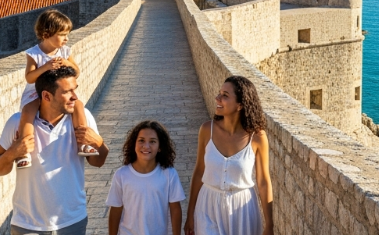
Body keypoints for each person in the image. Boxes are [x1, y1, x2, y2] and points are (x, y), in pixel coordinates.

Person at [0, 66, 109, 234]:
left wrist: (99, 143)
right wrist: (12, 153)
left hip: (72, 221)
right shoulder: (17, 123)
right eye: (67, 92)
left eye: (75, 89)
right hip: (27, 225)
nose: (75, 97)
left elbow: (98, 162)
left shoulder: (84, 118)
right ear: (46, 96)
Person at [185, 76, 274, 235]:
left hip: (243, 211)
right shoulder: (207, 130)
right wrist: (190, 213)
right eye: (219, 93)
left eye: (225, 95)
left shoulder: (258, 137)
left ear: (240, 105)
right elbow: (199, 172)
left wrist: (270, 225)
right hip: (208, 206)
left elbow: (263, 182)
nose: (217, 98)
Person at [15, 9, 96, 169]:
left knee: (78, 106)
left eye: (67, 34)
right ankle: (24, 150)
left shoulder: (65, 52)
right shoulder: (34, 54)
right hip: (36, 92)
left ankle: (82, 143)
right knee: (28, 112)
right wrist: (45, 67)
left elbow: (77, 72)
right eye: (62, 35)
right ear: (46, 34)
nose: (66, 39)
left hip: (61, 92)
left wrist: (68, 64)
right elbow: (29, 77)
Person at [106, 120, 185, 235]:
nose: (146, 146)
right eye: (141, 140)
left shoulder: (169, 174)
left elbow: (175, 209)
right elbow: (115, 210)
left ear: (160, 147)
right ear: (134, 144)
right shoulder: (121, 175)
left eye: (152, 141)